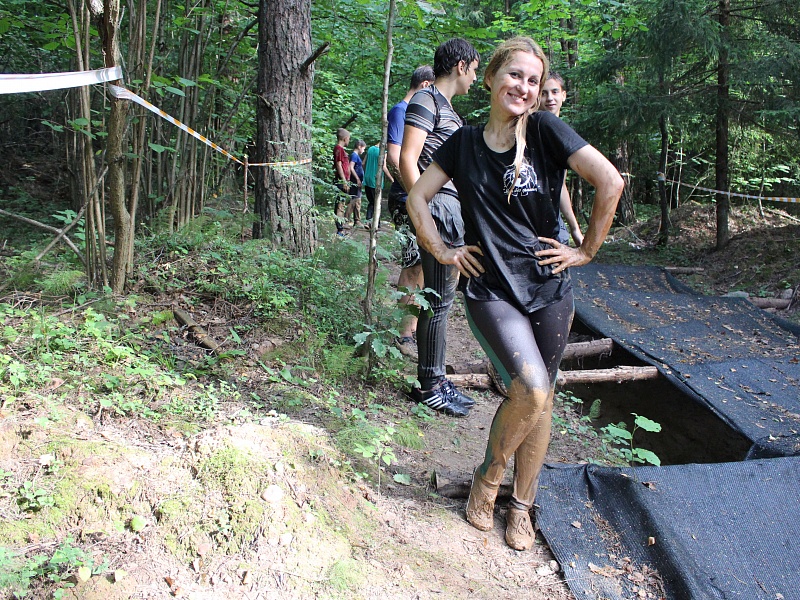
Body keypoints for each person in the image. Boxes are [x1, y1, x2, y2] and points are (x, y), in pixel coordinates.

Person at [406, 36, 624, 550]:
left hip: (550, 288)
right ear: (489, 79)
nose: (524, 87)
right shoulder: (461, 143)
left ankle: (522, 506)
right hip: (491, 291)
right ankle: (487, 479)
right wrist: (441, 250)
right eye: (515, 76)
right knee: (531, 389)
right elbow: (417, 194)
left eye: (533, 80)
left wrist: (586, 251)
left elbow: (609, 182)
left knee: (542, 402)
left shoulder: (546, 131)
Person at [399, 38, 480, 418]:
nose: (477, 78)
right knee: (437, 300)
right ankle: (429, 385)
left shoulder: (447, 110)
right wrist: (424, 214)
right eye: (475, 69)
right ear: (461, 66)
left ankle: (435, 380)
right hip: (438, 211)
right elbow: (407, 159)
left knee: (442, 301)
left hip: (451, 211)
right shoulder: (426, 100)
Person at [386, 66, 436, 356]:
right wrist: (415, 193)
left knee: (420, 264)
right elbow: (395, 155)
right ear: (426, 84)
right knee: (413, 263)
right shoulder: (401, 110)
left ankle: (411, 327)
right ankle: (403, 332)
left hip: (417, 197)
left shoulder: (418, 111)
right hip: (407, 198)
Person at [540, 72, 583, 247]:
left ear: (563, 95)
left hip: (554, 219)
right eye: (544, 93)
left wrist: (574, 227)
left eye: (555, 92)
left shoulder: (563, 134)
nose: (550, 98)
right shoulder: (531, 130)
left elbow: (560, 186)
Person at [333, 128, 351, 236]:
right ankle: (339, 230)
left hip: (344, 181)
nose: (349, 141)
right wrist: (344, 181)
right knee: (340, 205)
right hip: (340, 181)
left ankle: (341, 228)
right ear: (345, 139)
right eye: (348, 139)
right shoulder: (338, 149)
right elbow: (339, 165)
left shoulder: (341, 150)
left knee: (342, 204)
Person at [345, 139, 367, 228]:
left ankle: (357, 220)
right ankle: (346, 220)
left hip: (357, 182)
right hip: (355, 181)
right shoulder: (354, 155)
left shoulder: (356, 156)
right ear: (359, 147)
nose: (364, 150)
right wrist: (357, 178)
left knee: (358, 200)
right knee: (353, 200)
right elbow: (351, 167)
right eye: (363, 148)